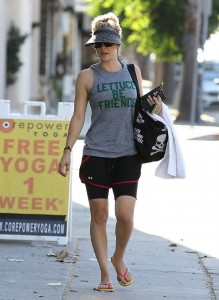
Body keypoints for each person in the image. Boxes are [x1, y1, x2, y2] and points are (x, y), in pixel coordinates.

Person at [58, 12, 162, 292]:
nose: (103, 49)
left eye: (108, 44)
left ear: (118, 44)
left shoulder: (133, 71)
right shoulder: (86, 77)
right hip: (97, 153)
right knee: (100, 215)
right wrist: (68, 150)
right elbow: (78, 116)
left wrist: (155, 107)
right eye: (98, 45)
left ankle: (118, 257)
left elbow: (140, 108)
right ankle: (105, 272)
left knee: (126, 216)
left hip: (129, 152)